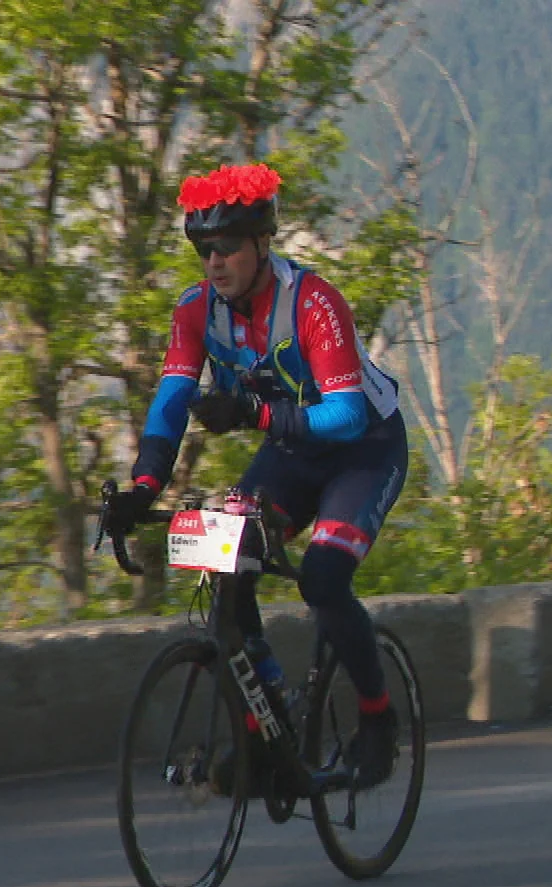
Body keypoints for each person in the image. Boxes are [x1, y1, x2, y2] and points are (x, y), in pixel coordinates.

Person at [102, 163, 409, 791]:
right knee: (218, 558)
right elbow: (169, 402)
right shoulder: (195, 313)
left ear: (262, 244)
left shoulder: (313, 304)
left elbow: (347, 415)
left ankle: (378, 723)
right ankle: (264, 729)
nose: (214, 263)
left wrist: (254, 410)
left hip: (364, 449)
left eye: (228, 248)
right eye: (203, 250)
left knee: (323, 580)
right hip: (293, 451)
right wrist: (142, 488)